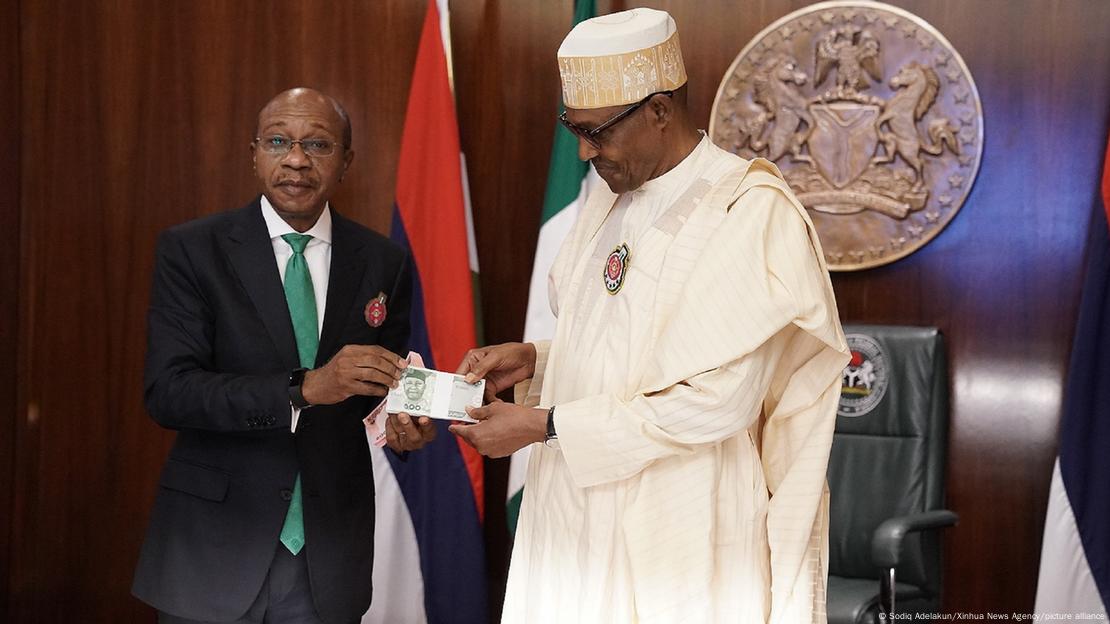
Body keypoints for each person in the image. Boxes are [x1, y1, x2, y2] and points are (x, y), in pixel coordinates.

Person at [451, 9, 850, 624]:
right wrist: (536, 361)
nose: (583, 151)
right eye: (573, 129)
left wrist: (546, 426)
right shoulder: (610, 198)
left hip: (682, 522)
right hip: (572, 512)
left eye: (597, 131)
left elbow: (717, 400)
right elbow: (635, 352)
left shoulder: (747, 210)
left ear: (659, 110)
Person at [133, 88, 437, 624]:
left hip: (327, 557)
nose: (296, 159)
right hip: (215, 548)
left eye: (317, 144)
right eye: (278, 141)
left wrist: (404, 429)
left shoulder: (383, 261)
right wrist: (303, 388)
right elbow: (170, 392)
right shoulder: (192, 250)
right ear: (254, 153)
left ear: (346, 161)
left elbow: (386, 393)